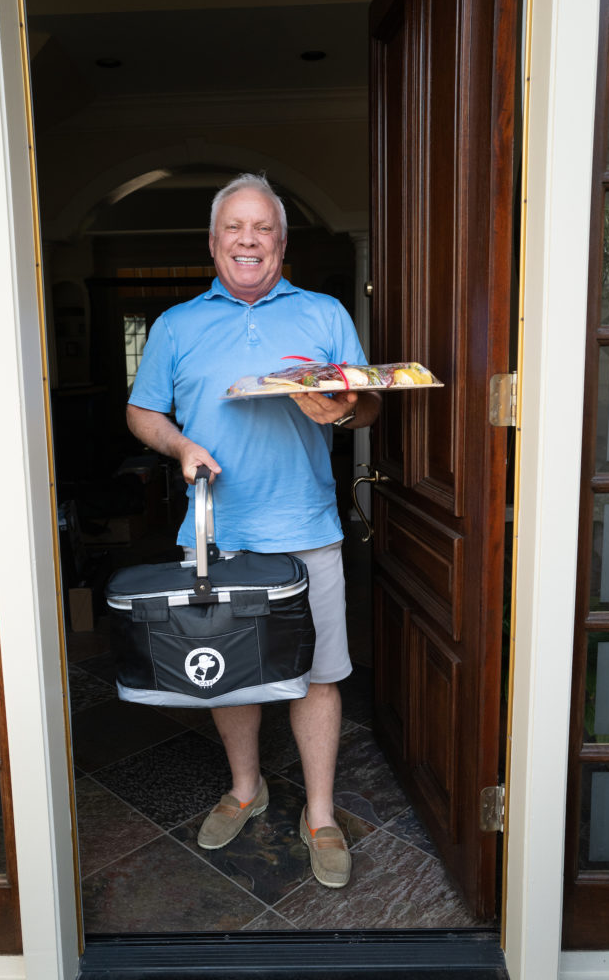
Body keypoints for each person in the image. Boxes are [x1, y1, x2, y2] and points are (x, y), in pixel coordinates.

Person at [126, 173, 380, 888]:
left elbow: (367, 408)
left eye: (262, 228)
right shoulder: (176, 325)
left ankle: (321, 813)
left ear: (281, 241)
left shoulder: (325, 313)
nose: (247, 239)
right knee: (231, 675)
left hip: (307, 526)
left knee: (319, 676)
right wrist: (180, 447)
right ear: (213, 243)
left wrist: (344, 412)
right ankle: (247, 788)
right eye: (234, 228)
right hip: (216, 530)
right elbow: (142, 412)